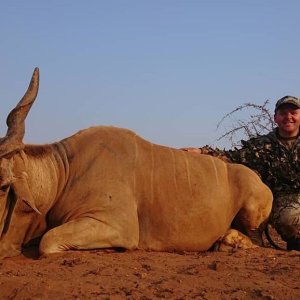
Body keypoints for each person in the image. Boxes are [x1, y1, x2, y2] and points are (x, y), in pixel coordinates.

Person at [226, 95, 300, 251]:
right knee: (289, 219)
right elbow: (232, 156)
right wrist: (201, 151)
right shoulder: (262, 144)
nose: (288, 117)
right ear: (275, 118)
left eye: (293, 112)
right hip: (285, 200)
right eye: (283, 113)